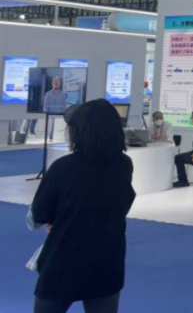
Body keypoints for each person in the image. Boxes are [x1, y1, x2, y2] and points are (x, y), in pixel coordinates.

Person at [29, 99, 136, 313]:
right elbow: (120, 203)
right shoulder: (124, 165)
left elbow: (39, 214)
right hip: (108, 260)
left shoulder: (63, 167)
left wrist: (57, 220)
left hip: (64, 259)